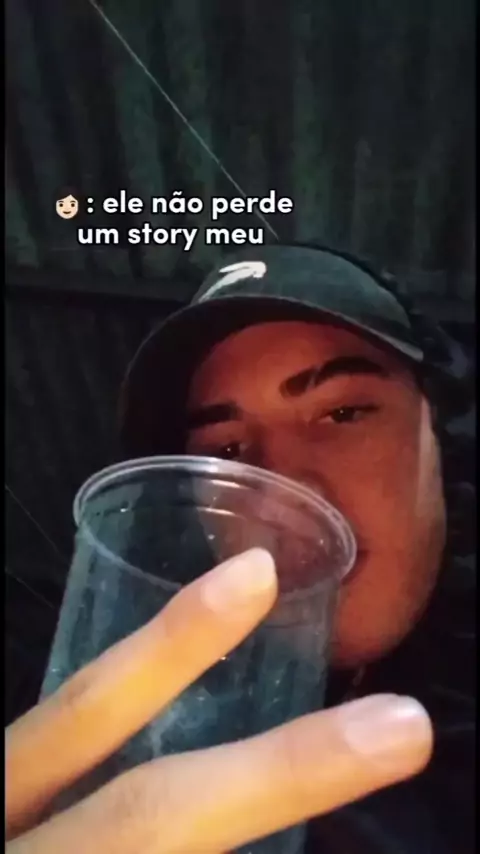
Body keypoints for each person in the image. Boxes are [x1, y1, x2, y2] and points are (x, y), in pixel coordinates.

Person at [6, 244, 474, 853]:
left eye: (343, 412)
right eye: (225, 452)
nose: (285, 500)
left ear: (444, 437)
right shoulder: (109, 711)